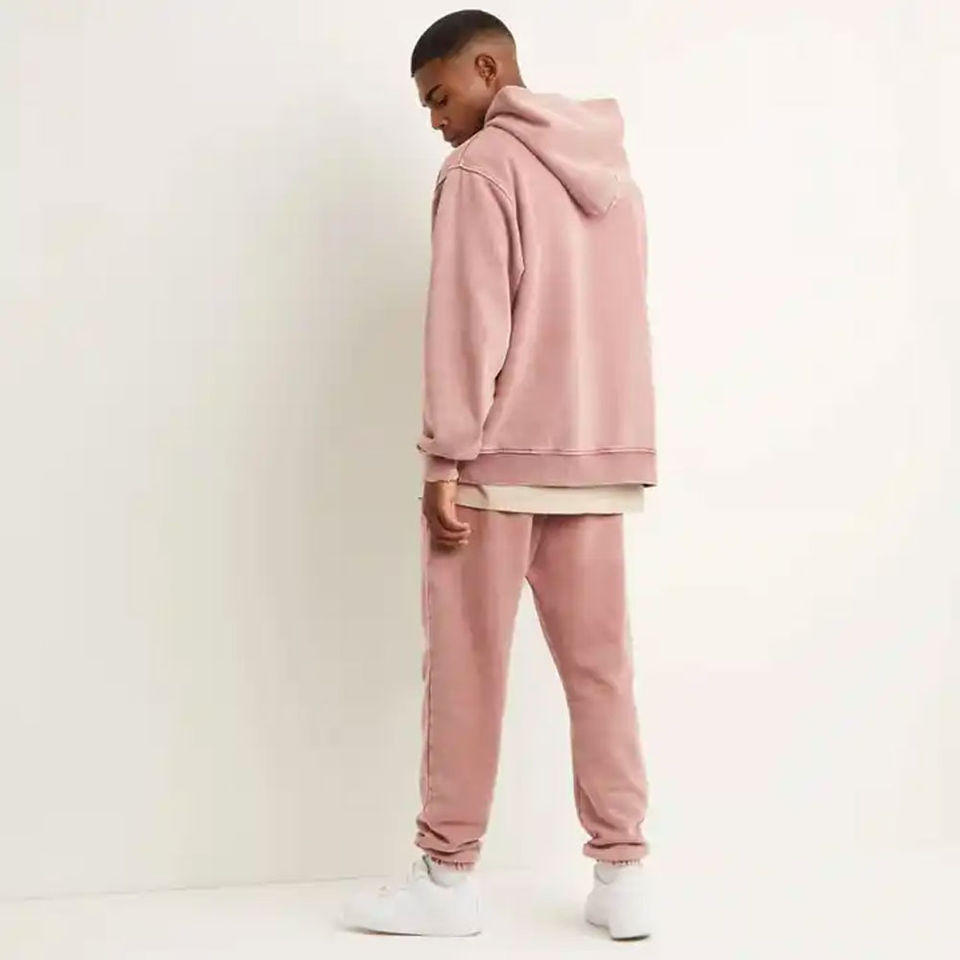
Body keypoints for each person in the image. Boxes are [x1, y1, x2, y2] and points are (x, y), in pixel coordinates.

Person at [341, 9, 656, 940]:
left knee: (466, 672)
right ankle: (624, 875)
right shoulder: (614, 174)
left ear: (488, 68)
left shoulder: (480, 170)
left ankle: (446, 879)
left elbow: (468, 322)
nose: (436, 121)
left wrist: (445, 453)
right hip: (596, 458)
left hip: (494, 465)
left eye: (439, 96)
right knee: (602, 673)